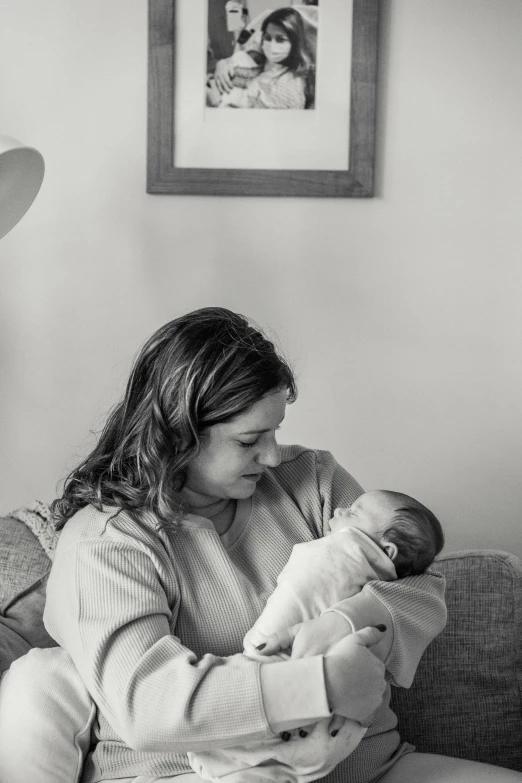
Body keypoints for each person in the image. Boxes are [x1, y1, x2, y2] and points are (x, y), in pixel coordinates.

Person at [38, 306, 522, 783]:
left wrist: (346, 620)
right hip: (200, 774)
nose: (271, 456)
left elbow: (422, 589)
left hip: (368, 767)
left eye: (276, 431)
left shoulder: (310, 479)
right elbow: (148, 702)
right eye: (250, 440)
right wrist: (321, 687)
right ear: (177, 435)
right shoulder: (109, 541)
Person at [188, 490, 445, 783]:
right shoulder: (128, 538)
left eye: (353, 512)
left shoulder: (321, 488)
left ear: (387, 552)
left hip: (367, 752)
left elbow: (429, 592)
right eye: (247, 441)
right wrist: (320, 680)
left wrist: (344, 621)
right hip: (258, 696)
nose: (338, 510)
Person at [207, 8, 316, 109]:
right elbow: (245, 55)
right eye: (268, 37)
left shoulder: (287, 87)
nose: (271, 45)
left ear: (295, 43)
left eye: (280, 39)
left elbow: (253, 125)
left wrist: (217, 103)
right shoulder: (270, 58)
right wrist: (221, 64)